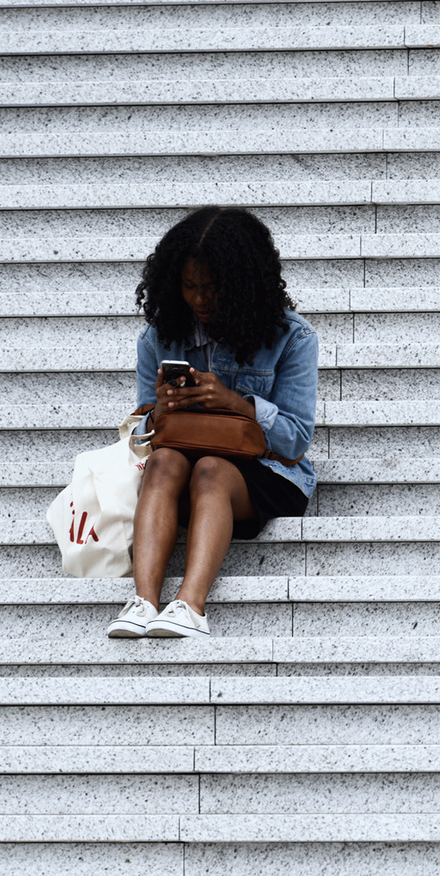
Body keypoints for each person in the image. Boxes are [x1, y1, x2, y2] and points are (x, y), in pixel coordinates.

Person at [106, 206, 317, 639]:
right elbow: (143, 435)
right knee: (165, 460)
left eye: (212, 288)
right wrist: (160, 410)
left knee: (210, 469)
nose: (200, 299)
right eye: (189, 286)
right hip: (179, 472)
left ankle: (190, 606)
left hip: (267, 473)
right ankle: (143, 602)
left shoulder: (292, 337)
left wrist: (237, 403)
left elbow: (295, 441)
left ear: (243, 285)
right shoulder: (160, 336)